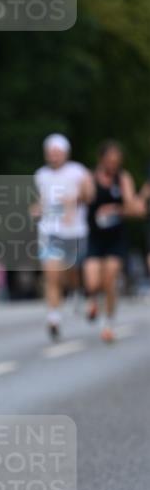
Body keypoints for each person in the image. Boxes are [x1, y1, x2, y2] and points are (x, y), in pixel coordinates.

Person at [82, 141, 143, 342]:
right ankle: (91, 301)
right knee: (92, 281)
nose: (113, 165)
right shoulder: (89, 179)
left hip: (116, 238)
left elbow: (133, 208)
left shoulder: (123, 179)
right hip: (94, 237)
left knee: (109, 280)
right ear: (102, 160)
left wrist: (116, 210)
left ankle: (107, 324)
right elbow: (79, 200)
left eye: (116, 162)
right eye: (109, 161)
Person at [32, 133, 89, 340]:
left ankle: (76, 292)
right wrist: (37, 209)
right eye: (50, 152)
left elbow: (89, 195)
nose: (53, 156)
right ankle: (54, 317)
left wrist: (73, 201)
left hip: (74, 230)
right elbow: (42, 200)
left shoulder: (78, 172)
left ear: (65, 153)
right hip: (50, 230)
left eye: (57, 152)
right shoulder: (41, 175)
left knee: (70, 273)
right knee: (51, 275)